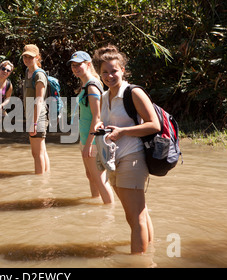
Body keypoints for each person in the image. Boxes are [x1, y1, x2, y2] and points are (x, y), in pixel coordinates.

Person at [92, 44, 160, 254]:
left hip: (133, 157)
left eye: (114, 70)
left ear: (122, 69)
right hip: (114, 160)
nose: (109, 75)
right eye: (105, 72)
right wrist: (100, 127)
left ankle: (137, 261)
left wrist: (122, 131)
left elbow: (154, 124)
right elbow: (106, 123)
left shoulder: (134, 92)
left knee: (135, 217)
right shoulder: (104, 97)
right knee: (137, 214)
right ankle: (148, 254)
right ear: (99, 73)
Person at [68, 51, 114, 203]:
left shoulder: (92, 86)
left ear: (88, 64)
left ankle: (109, 211)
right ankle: (95, 203)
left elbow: (97, 117)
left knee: (99, 178)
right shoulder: (85, 84)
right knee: (90, 175)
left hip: (92, 139)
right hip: (86, 137)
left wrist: (89, 143)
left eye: (78, 65)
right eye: (73, 65)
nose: (75, 68)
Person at [21, 44, 50, 174]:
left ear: (37, 57)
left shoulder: (39, 75)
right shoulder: (28, 72)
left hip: (38, 117)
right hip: (32, 116)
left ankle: (40, 183)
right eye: (25, 57)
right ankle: (45, 179)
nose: (27, 60)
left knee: (36, 153)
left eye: (30, 57)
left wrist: (34, 123)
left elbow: (39, 99)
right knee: (41, 150)